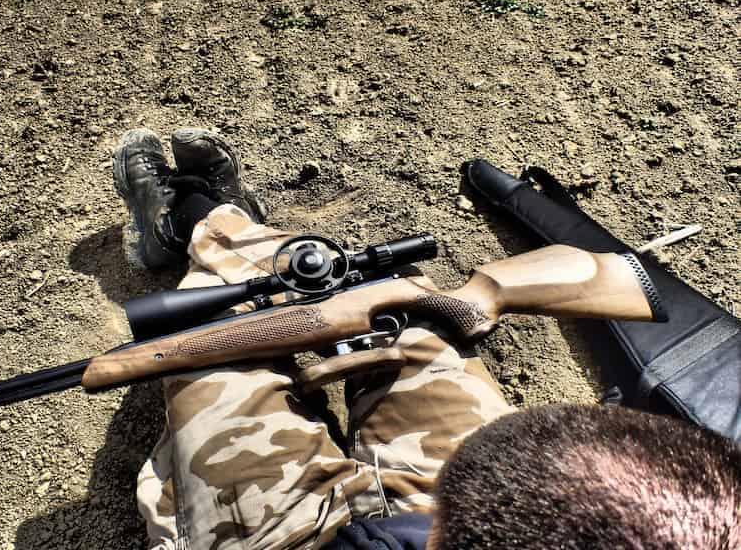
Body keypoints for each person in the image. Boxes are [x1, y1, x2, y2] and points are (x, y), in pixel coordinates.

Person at [112, 128, 741, 550]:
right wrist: (473, 299)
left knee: (210, 344)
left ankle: (195, 226)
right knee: (368, 293)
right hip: (491, 505)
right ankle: (225, 220)